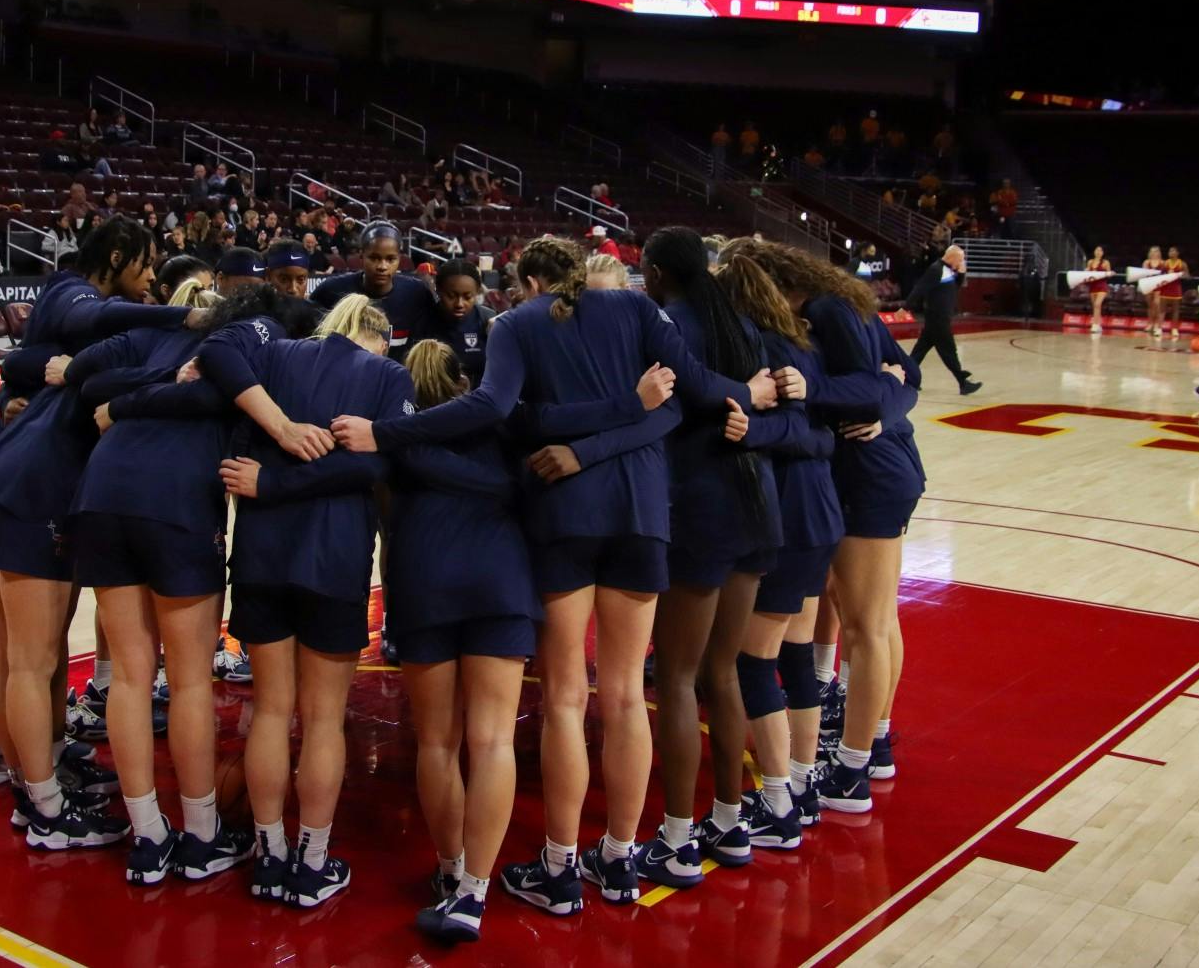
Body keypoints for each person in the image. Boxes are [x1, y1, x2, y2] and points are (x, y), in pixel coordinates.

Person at [333, 235, 777, 914]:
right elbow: (681, 398)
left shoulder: (517, 324)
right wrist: (751, 391)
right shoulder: (638, 310)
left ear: (530, 282)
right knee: (625, 695)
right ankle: (620, 858)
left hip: (565, 515)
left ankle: (560, 866)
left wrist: (386, 433)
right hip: (642, 515)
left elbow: (500, 410)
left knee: (568, 698)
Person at [0, 221, 197, 851]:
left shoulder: (94, 335)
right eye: (146, 265)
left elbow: (21, 362)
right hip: (34, 489)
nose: (151, 279)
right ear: (116, 257)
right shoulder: (84, 301)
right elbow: (64, 341)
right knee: (30, 659)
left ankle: (28, 766)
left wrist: (27, 381)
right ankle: (42, 807)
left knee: (16, 652)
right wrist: (184, 319)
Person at [219, 295, 415, 908]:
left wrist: (271, 478)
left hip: (261, 557)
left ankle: (269, 851)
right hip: (333, 561)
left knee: (271, 711)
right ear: (378, 335)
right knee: (324, 719)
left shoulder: (274, 356)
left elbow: (236, 451)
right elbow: (374, 470)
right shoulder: (388, 375)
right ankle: (312, 860)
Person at [62, 278, 255, 885]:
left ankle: (147, 836)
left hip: (100, 494)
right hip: (174, 502)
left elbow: (86, 380)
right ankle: (201, 835)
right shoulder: (244, 347)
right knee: (191, 679)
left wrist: (138, 394)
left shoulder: (153, 336)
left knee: (129, 674)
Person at [633, 225, 793, 882]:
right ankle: (729, 823)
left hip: (701, 511)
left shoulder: (668, 324)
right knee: (722, 670)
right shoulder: (742, 323)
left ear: (655, 273)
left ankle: (676, 838)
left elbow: (676, 404)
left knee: (676, 676)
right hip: (756, 506)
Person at [393, 340, 537, 943]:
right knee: (494, 739)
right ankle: (474, 892)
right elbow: (523, 486)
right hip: (499, 578)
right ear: (464, 382)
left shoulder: (396, 433)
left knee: (437, 742)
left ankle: (451, 870)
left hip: (422, 579)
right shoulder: (500, 423)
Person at [715, 241, 843, 842]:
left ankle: (778, 806)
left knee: (754, 661)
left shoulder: (761, 347)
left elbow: (792, 430)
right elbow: (823, 437)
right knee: (794, 655)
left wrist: (749, 430)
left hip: (789, 516)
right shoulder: (801, 343)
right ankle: (801, 784)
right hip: (820, 514)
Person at [307, 222, 440, 363]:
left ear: (399, 259)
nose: (382, 266)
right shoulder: (332, 290)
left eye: (390, 259)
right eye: (374, 258)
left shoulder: (417, 293)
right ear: (361, 255)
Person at [904, 245, 981, 395]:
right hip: (937, 318)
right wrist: (905, 307)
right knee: (949, 351)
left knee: (920, 351)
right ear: (952, 257)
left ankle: (907, 378)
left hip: (940, 318)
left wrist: (961, 274)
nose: (962, 262)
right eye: (960, 259)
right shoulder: (936, 269)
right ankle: (963, 382)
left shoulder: (948, 271)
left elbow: (954, 288)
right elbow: (920, 288)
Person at [427, 258, 493, 385]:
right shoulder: (424, 319)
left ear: (477, 292)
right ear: (438, 290)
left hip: (478, 394)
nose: (459, 304)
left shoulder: (488, 319)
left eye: (468, 297)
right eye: (451, 296)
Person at [1080, 245, 1112, 334]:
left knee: (1098, 304)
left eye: (1100, 250)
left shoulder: (1106, 262)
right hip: (1093, 286)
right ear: (1094, 252)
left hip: (1102, 286)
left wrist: (1109, 273)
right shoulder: (1090, 262)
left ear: (1103, 253)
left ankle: (1095, 325)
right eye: (1097, 250)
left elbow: (1109, 274)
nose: (1098, 252)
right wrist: (1086, 271)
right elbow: (1087, 275)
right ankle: (1098, 324)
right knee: (1095, 306)